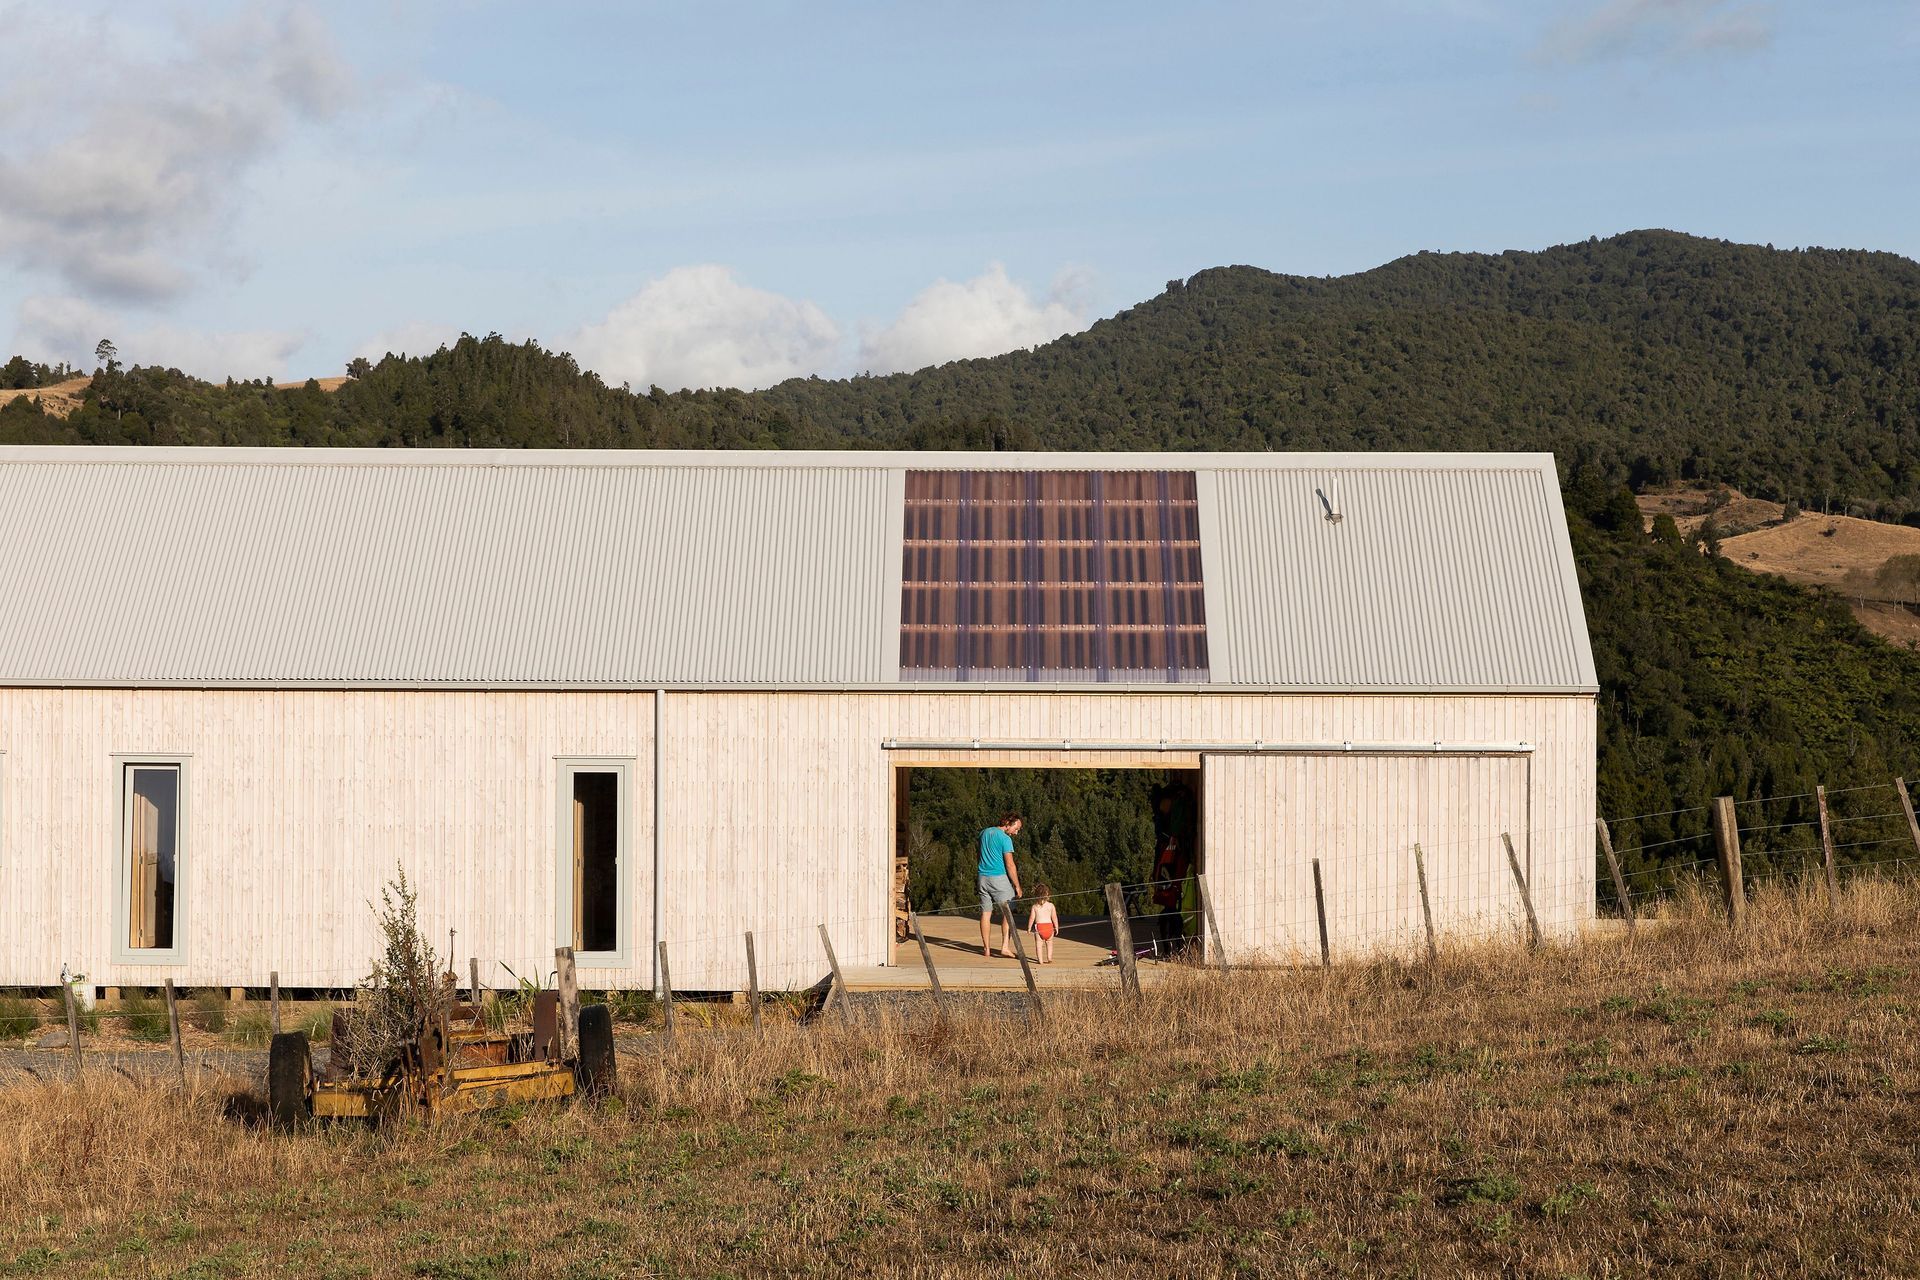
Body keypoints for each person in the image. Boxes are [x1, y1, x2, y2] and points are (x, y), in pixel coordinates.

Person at [977, 812, 1023, 958]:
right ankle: (1005, 947)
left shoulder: (984, 833)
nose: (1016, 833)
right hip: (998, 877)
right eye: (1016, 828)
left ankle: (987, 949)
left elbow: (978, 854)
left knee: (986, 913)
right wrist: (1017, 885)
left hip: (982, 877)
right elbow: (1010, 864)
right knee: (1008, 911)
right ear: (1008, 824)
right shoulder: (1005, 838)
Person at [1027, 884, 1059, 964]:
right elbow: (1054, 917)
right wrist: (1056, 927)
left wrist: (1029, 928)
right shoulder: (1051, 906)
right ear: (1047, 895)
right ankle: (1049, 958)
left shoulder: (1035, 907)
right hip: (1049, 927)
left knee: (1039, 945)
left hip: (1039, 927)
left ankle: (1040, 960)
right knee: (1049, 943)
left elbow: (1032, 918)